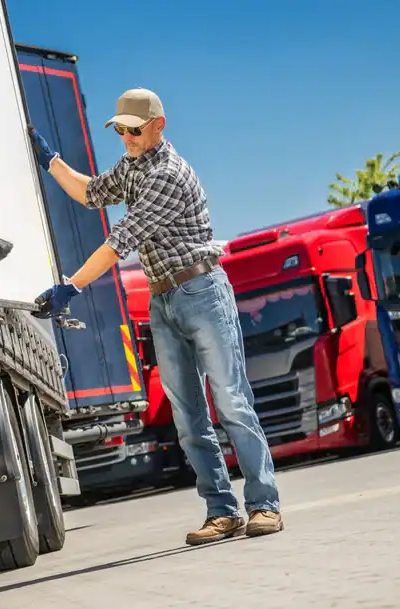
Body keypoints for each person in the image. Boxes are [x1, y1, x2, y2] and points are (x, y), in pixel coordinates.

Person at [28, 88, 283, 545]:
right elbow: (90, 193)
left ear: (158, 125)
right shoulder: (132, 166)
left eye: (133, 128)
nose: (124, 136)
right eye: (119, 128)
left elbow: (120, 238)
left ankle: (264, 505)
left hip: (202, 291)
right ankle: (221, 511)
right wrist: (49, 159)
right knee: (187, 416)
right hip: (164, 300)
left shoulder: (167, 174)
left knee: (231, 402)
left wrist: (71, 285)